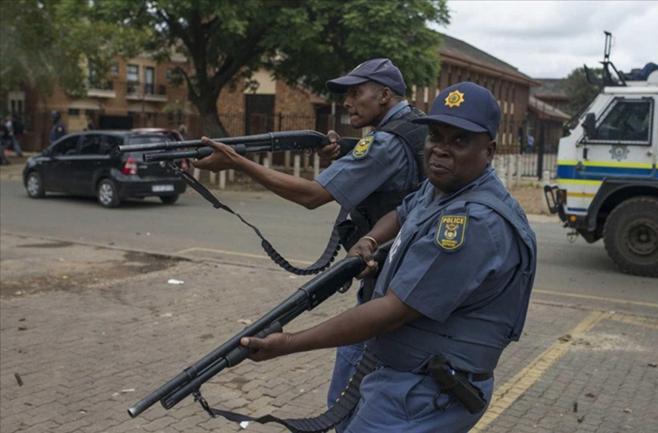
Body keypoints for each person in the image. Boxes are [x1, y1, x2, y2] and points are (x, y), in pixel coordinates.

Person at [240, 82, 537, 433]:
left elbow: (394, 311)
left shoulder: (473, 222)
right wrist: (371, 241)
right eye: (435, 137)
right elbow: (402, 212)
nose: (440, 150)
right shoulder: (444, 186)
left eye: (459, 141)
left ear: (489, 151)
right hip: (405, 377)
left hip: (425, 393)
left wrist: (289, 343)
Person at [192, 58, 426, 427]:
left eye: (356, 93)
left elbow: (312, 195)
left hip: (384, 285)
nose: (347, 102)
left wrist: (238, 163)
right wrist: (344, 151)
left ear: (384, 95)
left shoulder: (384, 143)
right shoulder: (416, 126)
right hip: (404, 276)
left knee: (345, 401)